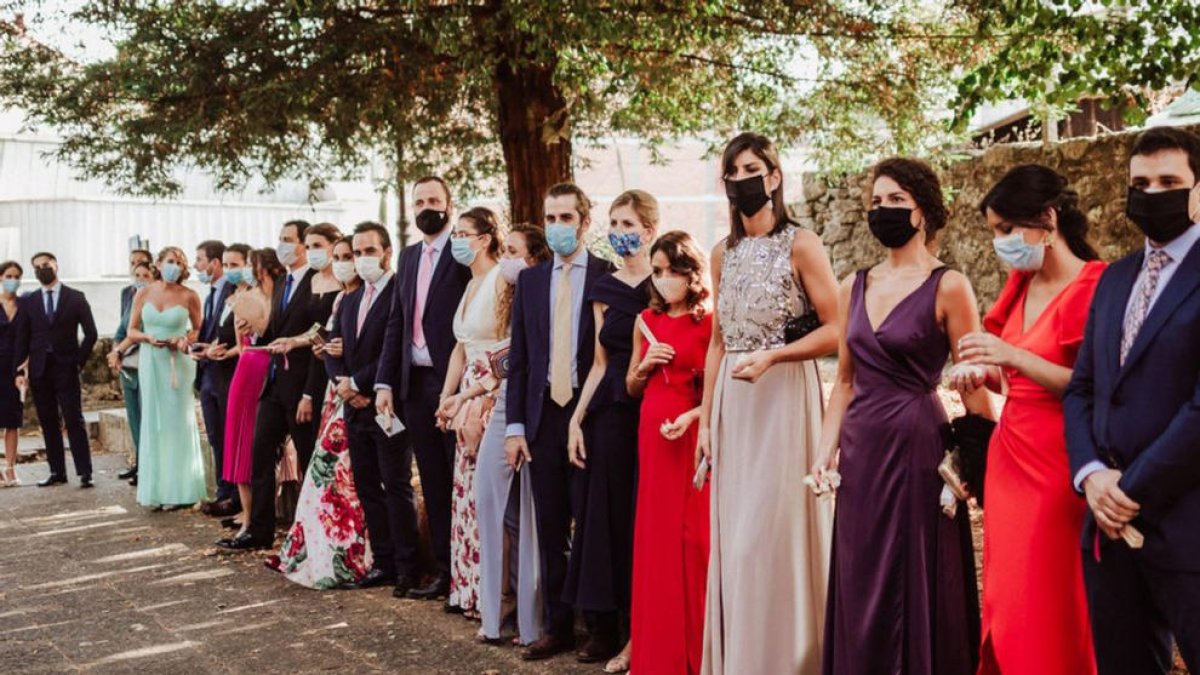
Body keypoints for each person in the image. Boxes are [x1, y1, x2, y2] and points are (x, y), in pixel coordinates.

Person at [815, 157, 988, 675]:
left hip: (919, 446)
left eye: (896, 201)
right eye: (876, 202)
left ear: (923, 211)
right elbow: (844, 381)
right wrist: (825, 454)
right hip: (861, 449)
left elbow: (974, 382)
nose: (883, 210)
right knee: (860, 568)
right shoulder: (853, 285)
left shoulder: (949, 284)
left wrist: (974, 465)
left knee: (914, 571)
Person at [946, 165, 1104, 675]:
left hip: (1058, 461)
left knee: (1048, 596)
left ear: (1048, 219)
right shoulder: (1022, 280)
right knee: (1008, 595)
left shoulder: (1091, 285)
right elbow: (1014, 375)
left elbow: (1090, 385)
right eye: (996, 231)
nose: (1001, 242)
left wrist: (1009, 358)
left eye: (1007, 229)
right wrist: (982, 371)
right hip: (1009, 457)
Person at [695, 133, 839, 674]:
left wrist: (776, 356)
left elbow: (838, 330)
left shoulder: (802, 243)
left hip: (783, 398)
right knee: (736, 541)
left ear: (774, 177)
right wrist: (706, 421)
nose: (742, 179)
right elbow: (717, 343)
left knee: (771, 535)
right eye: (733, 171)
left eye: (752, 168)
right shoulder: (721, 254)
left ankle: (789, 659)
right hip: (735, 404)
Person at [1064, 126, 1200, 675]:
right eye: (1140, 183)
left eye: (1169, 181)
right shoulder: (1115, 277)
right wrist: (1092, 474)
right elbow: (1083, 389)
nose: (1152, 193)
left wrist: (1131, 489)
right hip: (1109, 529)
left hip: (1188, 522)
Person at [505, 183, 615, 661]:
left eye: (565, 218)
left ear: (585, 223)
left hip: (589, 417)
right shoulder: (530, 281)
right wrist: (514, 427)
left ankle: (601, 628)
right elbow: (521, 361)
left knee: (592, 524)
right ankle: (557, 625)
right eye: (550, 218)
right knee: (551, 526)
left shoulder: (609, 277)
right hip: (543, 416)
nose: (556, 228)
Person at [564, 190, 656, 666]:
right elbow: (599, 363)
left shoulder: (667, 284)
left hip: (656, 408)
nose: (621, 233)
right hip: (610, 413)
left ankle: (647, 626)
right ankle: (607, 623)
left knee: (646, 518)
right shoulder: (604, 287)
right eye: (615, 224)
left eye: (629, 224)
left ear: (650, 230)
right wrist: (577, 419)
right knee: (605, 516)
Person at [375, 177, 472, 599]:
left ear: (449, 204)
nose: (426, 207)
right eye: (419, 201)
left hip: (454, 381)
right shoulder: (410, 256)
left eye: (434, 200)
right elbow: (397, 320)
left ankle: (470, 575)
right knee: (431, 480)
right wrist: (385, 381)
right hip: (413, 383)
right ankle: (444, 572)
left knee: (458, 478)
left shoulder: (464, 253)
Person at [626, 231, 713, 675]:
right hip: (652, 429)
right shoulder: (645, 319)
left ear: (689, 272)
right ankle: (656, 653)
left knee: (694, 540)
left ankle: (698, 653)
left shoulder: (708, 322)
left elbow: (720, 393)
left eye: (670, 271)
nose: (662, 280)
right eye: (656, 272)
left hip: (692, 431)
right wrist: (645, 367)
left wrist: (695, 417)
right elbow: (631, 385)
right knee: (655, 540)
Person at [269, 236, 376, 589]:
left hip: (359, 392)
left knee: (346, 479)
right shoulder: (341, 299)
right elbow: (325, 339)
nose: (348, 262)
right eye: (343, 256)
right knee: (322, 476)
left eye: (353, 255)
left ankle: (350, 554)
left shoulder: (367, 296)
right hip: (336, 393)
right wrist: (320, 351)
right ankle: (316, 549)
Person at [326, 222, 421, 596]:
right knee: (367, 485)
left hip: (387, 404)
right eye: (357, 251)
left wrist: (362, 384)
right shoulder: (348, 299)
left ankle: (407, 567)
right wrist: (342, 385)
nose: (362, 258)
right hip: (353, 406)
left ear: (386, 253)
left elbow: (393, 348)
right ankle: (382, 561)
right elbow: (333, 348)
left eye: (369, 251)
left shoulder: (399, 291)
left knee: (395, 484)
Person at [471, 223, 551, 647]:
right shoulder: (508, 297)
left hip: (526, 406)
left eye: (514, 252)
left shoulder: (545, 295)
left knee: (528, 515)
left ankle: (530, 619)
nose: (506, 260)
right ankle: (493, 610)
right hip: (502, 402)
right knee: (491, 505)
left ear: (533, 259)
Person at [221, 220, 317, 551]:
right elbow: (273, 331)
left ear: (305, 245)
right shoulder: (282, 285)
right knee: (259, 454)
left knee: (307, 459)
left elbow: (318, 327)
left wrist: (308, 390)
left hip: (301, 386)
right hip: (272, 384)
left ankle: (310, 531)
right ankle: (258, 530)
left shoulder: (317, 282)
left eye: (288, 239)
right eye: (279, 239)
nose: (282, 245)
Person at [126, 247, 207, 508]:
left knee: (175, 421)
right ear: (158, 264)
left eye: (180, 263)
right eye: (170, 261)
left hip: (177, 363)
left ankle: (180, 490)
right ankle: (157, 489)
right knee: (154, 420)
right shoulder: (144, 292)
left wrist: (182, 339)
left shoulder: (189, 295)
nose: (175, 266)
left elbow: (199, 329)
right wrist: (148, 337)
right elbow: (132, 330)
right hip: (151, 360)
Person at [14, 252, 98, 488]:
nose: (42, 269)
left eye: (46, 264)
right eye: (37, 267)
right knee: (48, 421)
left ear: (56, 265)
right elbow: (22, 338)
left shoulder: (76, 298)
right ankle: (56, 471)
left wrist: (78, 361)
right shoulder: (29, 302)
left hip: (67, 367)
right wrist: (20, 370)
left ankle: (85, 472)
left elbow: (91, 334)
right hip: (40, 370)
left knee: (74, 419)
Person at [213, 248, 279, 541]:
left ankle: (256, 517)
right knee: (241, 441)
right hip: (248, 365)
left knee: (259, 443)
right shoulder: (242, 298)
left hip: (267, 367)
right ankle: (248, 518)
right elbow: (243, 345)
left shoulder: (277, 298)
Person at [269, 223, 343, 447]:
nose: (312, 252)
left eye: (318, 246)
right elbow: (318, 328)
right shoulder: (314, 280)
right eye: (309, 246)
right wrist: (295, 340)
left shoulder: (344, 282)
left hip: (332, 369)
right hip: (316, 360)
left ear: (334, 247)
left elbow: (334, 327)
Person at [193, 240, 236, 510]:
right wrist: (197, 348)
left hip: (225, 373)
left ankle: (230, 493)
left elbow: (229, 334)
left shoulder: (233, 291)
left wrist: (213, 349)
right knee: (214, 436)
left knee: (226, 434)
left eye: (199, 260)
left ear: (214, 263)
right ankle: (222, 489)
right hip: (207, 373)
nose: (196, 266)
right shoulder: (210, 295)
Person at [108, 261, 158, 486]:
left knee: (149, 421)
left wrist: (121, 349)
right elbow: (122, 331)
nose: (140, 279)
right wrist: (115, 352)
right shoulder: (133, 300)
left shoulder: (156, 301)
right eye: (136, 275)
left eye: (145, 275)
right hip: (128, 368)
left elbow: (140, 333)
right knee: (135, 421)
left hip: (146, 365)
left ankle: (149, 467)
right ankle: (140, 464)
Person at [0, 261, 24, 488]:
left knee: (12, 420)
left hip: (15, 370)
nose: (12, 279)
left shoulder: (24, 305)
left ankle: (11, 467)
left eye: (16, 276)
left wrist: (25, 366)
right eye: (8, 275)